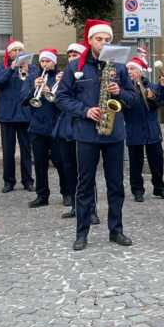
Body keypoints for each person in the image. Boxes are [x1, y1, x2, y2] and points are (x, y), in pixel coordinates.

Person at [56, 19, 137, 251]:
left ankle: (116, 230)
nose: (103, 43)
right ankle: (82, 233)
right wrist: (84, 111)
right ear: (90, 40)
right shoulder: (75, 67)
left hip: (114, 134)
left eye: (107, 39)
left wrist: (119, 92)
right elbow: (62, 98)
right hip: (87, 134)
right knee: (84, 185)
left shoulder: (119, 67)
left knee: (116, 185)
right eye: (99, 39)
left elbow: (132, 99)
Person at [56, 43, 99, 224]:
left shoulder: (87, 73)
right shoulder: (66, 74)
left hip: (83, 125)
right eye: (70, 55)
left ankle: (91, 209)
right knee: (69, 168)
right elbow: (59, 100)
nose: (72, 57)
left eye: (76, 54)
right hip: (66, 127)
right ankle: (76, 206)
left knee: (86, 171)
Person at [123, 55, 164, 202]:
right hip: (133, 129)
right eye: (128, 69)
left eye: (132, 68)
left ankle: (159, 188)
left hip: (152, 129)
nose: (129, 71)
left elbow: (162, 100)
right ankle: (137, 190)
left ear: (141, 71)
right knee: (135, 162)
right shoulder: (124, 89)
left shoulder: (152, 86)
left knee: (157, 161)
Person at [23, 48, 68, 208]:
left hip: (56, 127)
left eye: (48, 61)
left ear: (54, 62)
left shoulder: (62, 77)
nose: (44, 64)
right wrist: (33, 89)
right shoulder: (33, 78)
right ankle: (42, 196)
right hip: (38, 127)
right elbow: (23, 100)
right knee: (40, 164)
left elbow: (66, 102)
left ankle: (67, 193)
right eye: (42, 61)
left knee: (60, 162)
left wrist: (51, 93)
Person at [0, 40, 34, 193]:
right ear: (9, 54)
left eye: (20, 50)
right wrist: (11, 69)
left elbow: (36, 84)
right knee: (8, 151)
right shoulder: (1, 67)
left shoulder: (32, 67)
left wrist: (28, 73)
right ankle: (9, 182)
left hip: (25, 115)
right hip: (7, 116)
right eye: (14, 50)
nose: (18, 53)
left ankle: (28, 181)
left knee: (26, 151)